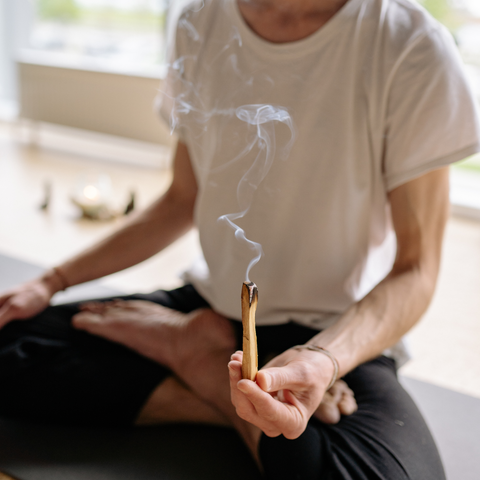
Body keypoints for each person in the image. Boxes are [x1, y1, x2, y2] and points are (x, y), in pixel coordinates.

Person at [1, 0, 479, 478]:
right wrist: (50, 281)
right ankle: (222, 379)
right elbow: (180, 201)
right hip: (209, 308)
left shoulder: (410, 45)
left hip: (336, 332)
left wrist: (323, 360)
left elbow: (415, 270)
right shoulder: (199, 19)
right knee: (8, 346)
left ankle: (201, 366)